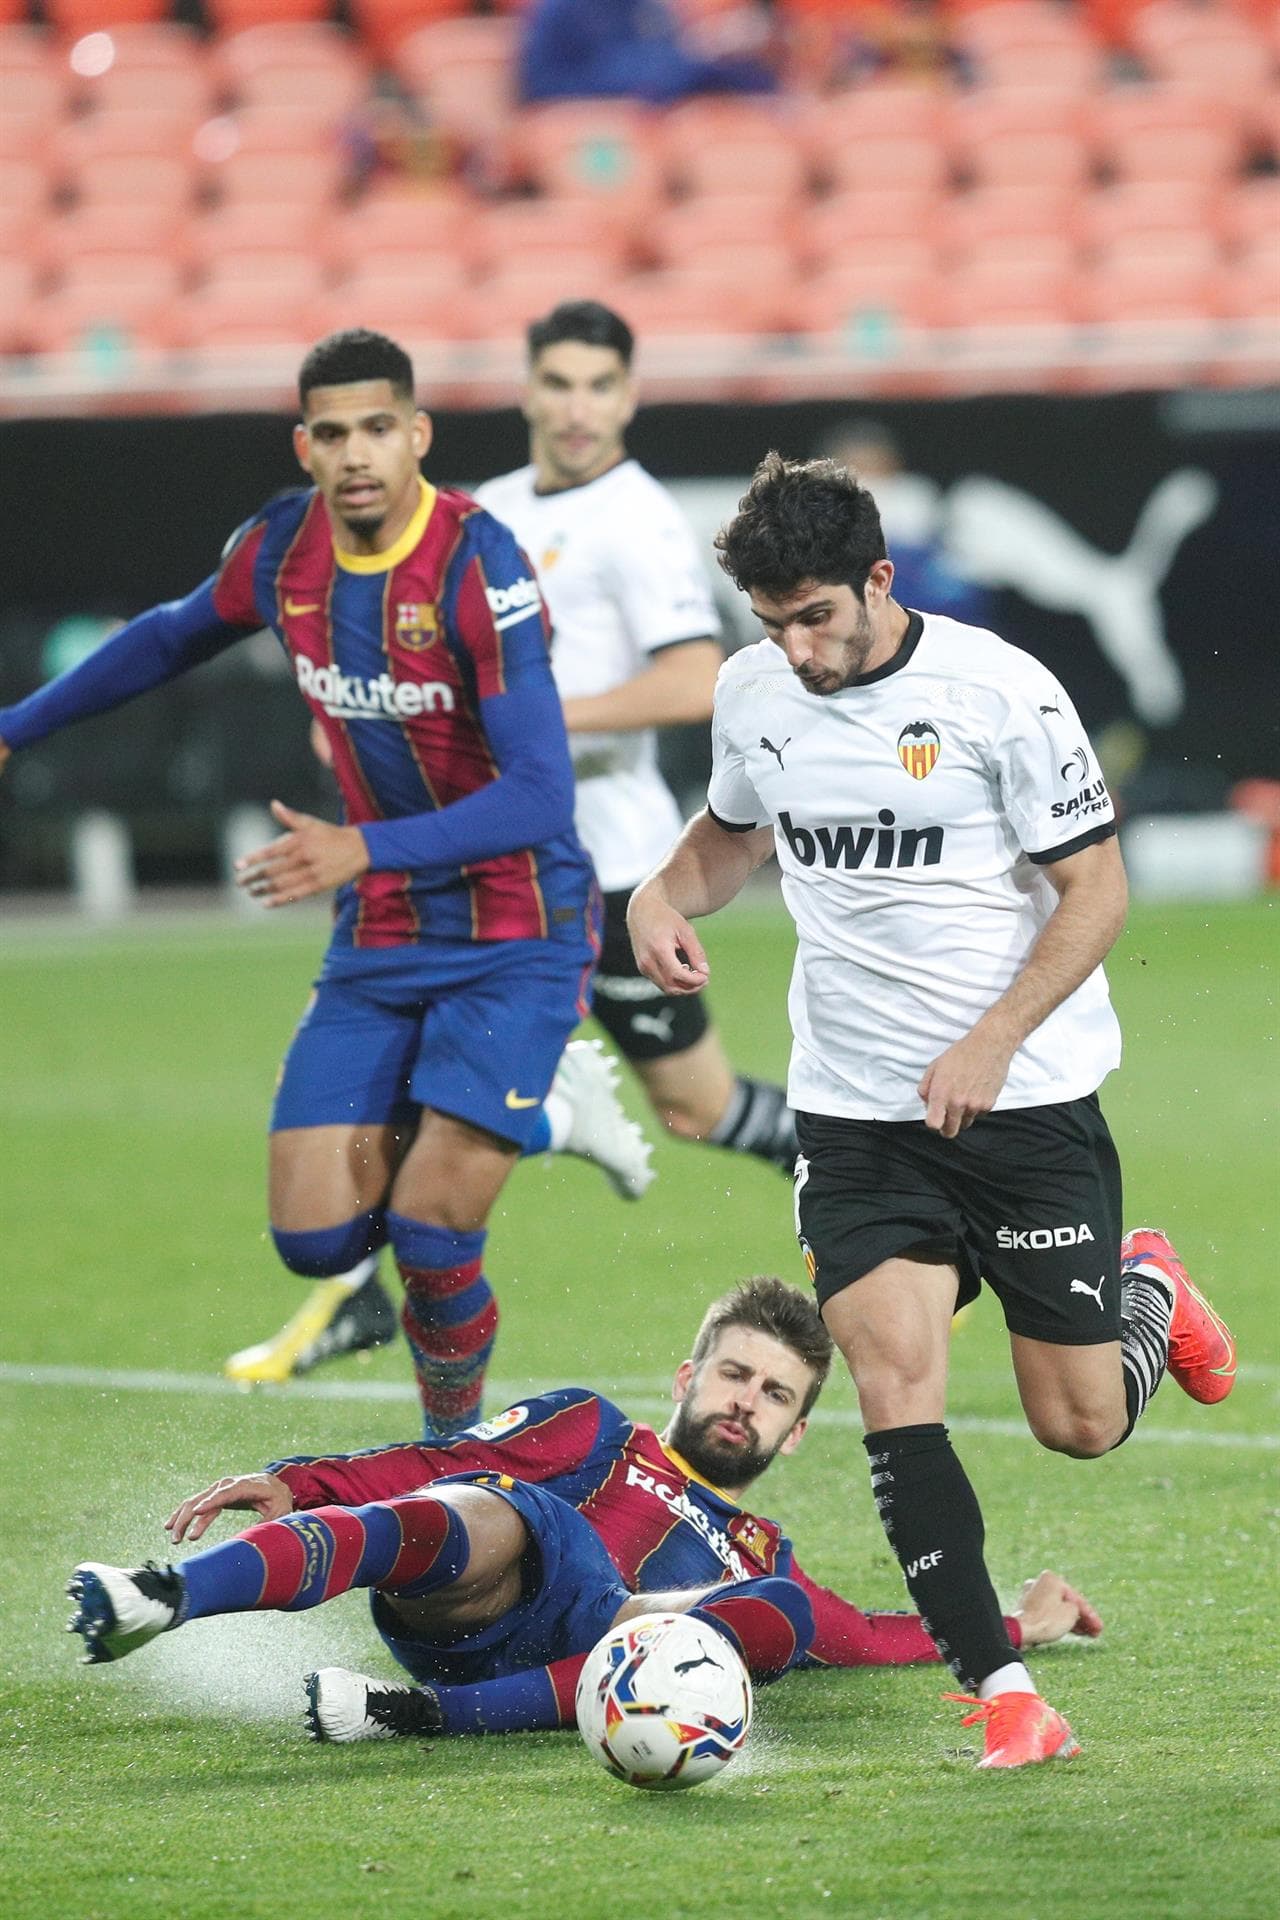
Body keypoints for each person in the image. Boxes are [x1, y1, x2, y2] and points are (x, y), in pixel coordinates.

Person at [626, 453, 1238, 1768]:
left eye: (815, 618)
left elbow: (1097, 892)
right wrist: (660, 893)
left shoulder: (999, 693)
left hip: (1024, 1106)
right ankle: (1006, 1693)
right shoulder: (755, 692)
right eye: (770, 622)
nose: (793, 647)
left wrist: (994, 1038)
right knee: (897, 1384)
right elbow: (732, 836)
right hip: (855, 1117)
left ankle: (1149, 1291)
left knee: (1079, 1425)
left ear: (879, 583)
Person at [0, 328, 653, 1437]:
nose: (357, 454)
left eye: (378, 429)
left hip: (519, 925)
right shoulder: (282, 548)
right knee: (317, 1239)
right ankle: (540, 1114)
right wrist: (19, 727)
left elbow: (543, 793)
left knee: (435, 1229)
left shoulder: (476, 563)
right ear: (305, 446)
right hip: (386, 926)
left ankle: (447, 1451)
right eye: (334, 433)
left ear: (417, 436)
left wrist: (362, 847)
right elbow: (168, 637)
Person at [65, 1276, 1100, 1749]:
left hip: (605, 1652)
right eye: (733, 1374)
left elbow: (872, 1637)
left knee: (776, 1611)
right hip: (489, 1589)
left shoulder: (756, 1551)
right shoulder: (598, 1432)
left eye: (773, 1394)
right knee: (482, 1503)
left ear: (791, 1434)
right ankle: (163, 1596)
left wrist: (1018, 1625)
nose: (744, 1400)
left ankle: (416, 1721)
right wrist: (301, 1481)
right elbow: (447, 1455)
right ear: (687, 1377)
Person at [475, 302, 798, 1176]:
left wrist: (531, 720)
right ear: (527, 391)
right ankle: (357, 1302)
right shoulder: (484, 513)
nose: (578, 408)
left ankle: (865, 1182)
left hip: (610, 863)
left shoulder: (638, 520)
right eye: (559, 384)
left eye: (599, 387)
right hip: (494, 859)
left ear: (629, 398)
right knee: (429, 1082)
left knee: (697, 1108)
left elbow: (696, 678)